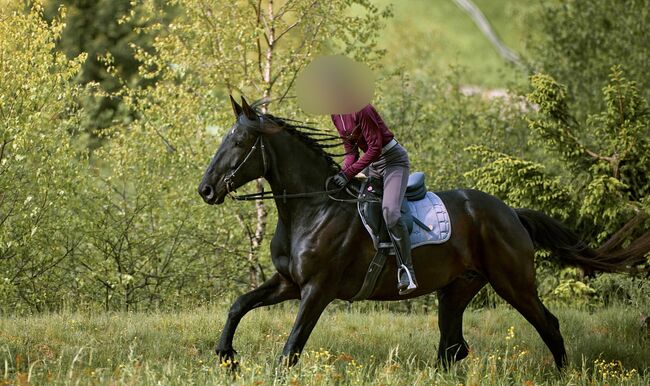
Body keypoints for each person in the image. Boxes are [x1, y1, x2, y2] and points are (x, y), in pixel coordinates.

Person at [330, 105, 418, 295]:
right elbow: (351, 152)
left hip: (393, 161)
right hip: (373, 166)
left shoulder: (361, 109)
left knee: (390, 212)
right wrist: (343, 172)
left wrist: (349, 173)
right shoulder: (335, 114)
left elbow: (375, 148)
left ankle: (406, 271)